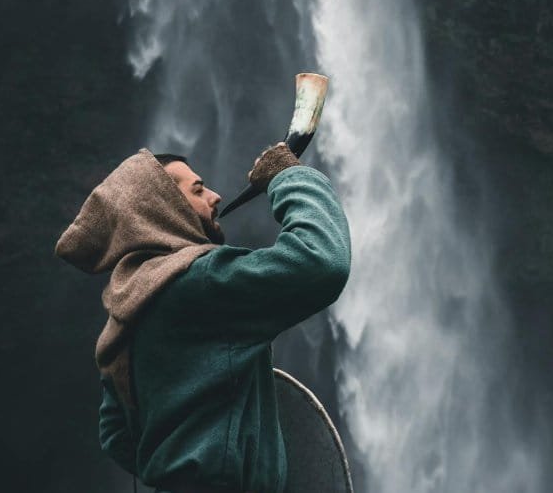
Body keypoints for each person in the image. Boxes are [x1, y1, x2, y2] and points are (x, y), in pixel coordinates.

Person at [55, 143, 351, 493]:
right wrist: (289, 177)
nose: (216, 196)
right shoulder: (198, 282)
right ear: (163, 207)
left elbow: (116, 434)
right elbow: (320, 262)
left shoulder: (126, 309)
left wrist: (184, 464)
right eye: (198, 189)